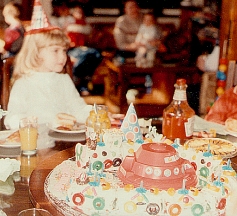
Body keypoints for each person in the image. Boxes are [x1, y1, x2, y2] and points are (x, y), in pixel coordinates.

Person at [4, 1, 92, 130]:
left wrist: (94, 114)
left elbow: (78, 108)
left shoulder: (63, 80)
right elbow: (11, 119)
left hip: (64, 142)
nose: (63, 57)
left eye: (64, 50)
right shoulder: (24, 83)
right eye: (55, 50)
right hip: (36, 143)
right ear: (36, 52)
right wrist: (37, 121)